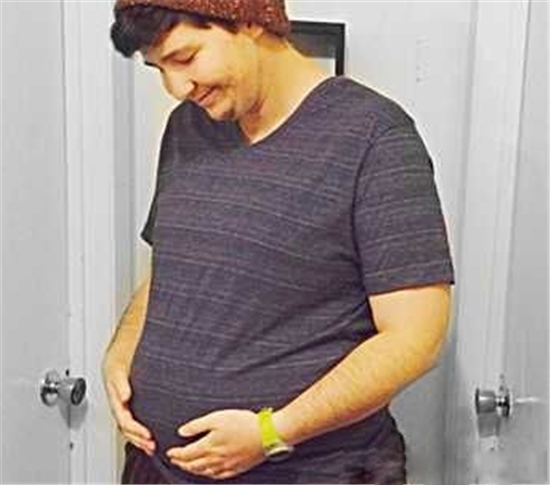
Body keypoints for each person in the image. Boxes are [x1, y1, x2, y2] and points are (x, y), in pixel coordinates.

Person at [103, 0, 455, 483]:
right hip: (159, 468)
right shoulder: (186, 128)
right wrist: (122, 353)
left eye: (185, 58)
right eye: (159, 69)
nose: (177, 87)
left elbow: (415, 339)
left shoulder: (375, 138)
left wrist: (272, 431)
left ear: (250, 20)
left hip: (308, 472)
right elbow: (174, 269)